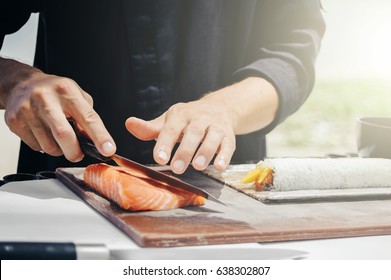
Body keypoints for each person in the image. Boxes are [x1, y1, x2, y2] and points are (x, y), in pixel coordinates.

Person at [0, 0, 325, 175]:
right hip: (66, 186)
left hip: (224, 189)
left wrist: (227, 108)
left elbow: (292, 54)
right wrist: (17, 83)